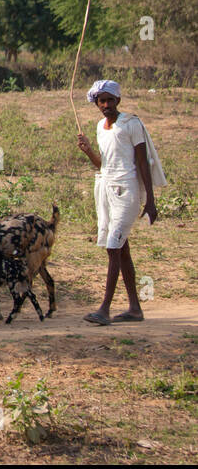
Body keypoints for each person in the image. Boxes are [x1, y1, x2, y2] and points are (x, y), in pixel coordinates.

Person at [75, 79, 165, 325]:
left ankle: (104, 309)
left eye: (110, 100)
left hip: (127, 192)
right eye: (101, 101)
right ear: (96, 103)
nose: (106, 105)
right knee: (121, 249)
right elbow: (104, 165)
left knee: (113, 247)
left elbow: (143, 162)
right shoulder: (100, 127)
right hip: (106, 189)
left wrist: (151, 200)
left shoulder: (131, 123)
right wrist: (88, 151)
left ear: (118, 101)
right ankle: (135, 308)